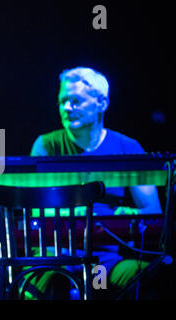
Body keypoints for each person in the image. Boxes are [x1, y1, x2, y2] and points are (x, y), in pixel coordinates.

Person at [25, 67, 162, 299]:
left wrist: (119, 214)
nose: (67, 108)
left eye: (75, 101)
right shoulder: (46, 145)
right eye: (63, 101)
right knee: (54, 282)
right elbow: (34, 211)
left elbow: (154, 212)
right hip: (55, 255)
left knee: (144, 277)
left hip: (103, 262)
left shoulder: (127, 147)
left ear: (102, 103)